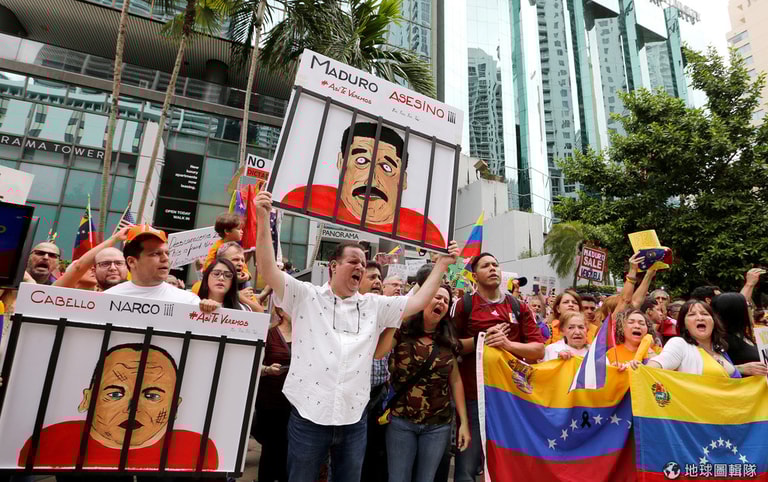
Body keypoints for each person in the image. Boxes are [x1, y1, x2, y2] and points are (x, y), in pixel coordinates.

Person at [250, 190, 459, 482]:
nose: (360, 266)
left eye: (363, 262)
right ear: (333, 266)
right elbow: (267, 269)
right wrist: (262, 217)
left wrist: (441, 265)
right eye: (353, 261)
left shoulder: (375, 306)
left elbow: (418, 301)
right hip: (309, 417)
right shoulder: (305, 296)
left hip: (353, 420)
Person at [17, 343, 217, 469]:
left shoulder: (197, 448)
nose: (132, 408)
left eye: (152, 395)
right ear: (87, 399)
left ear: (175, 406)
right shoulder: (47, 442)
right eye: (115, 394)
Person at [450, 252, 544, 482]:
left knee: (506, 463)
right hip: (474, 398)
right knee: (467, 467)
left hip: (510, 398)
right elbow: (450, 347)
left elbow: (538, 350)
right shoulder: (463, 305)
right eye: (485, 266)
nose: (493, 268)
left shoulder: (519, 307)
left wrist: (507, 344)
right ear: (474, 276)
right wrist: (480, 339)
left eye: (495, 264)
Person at [280, 122, 445, 247]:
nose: (371, 179)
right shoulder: (305, 200)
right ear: (341, 163)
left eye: (386, 167)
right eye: (361, 161)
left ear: (403, 180)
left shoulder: (425, 232)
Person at [382, 285, 470, 482]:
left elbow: (456, 381)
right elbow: (379, 352)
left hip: (438, 426)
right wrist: (399, 315)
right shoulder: (402, 330)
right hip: (401, 421)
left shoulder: (449, 340)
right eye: (437, 297)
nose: (441, 302)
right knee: (398, 478)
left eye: (446, 301)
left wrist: (463, 423)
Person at [637, 300, 767, 377]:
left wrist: (742, 369)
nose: (700, 318)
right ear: (684, 324)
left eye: (705, 314)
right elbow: (657, 366)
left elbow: (719, 377)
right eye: (692, 315)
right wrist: (640, 369)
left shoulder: (719, 348)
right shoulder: (679, 344)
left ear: (713, 321)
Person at [104, 225, 200, 305]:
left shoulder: (189, 302)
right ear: (131, 262)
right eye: (155, 253)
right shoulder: (107, 300)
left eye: (167, 253)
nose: (165, 258)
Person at [253, 306, 293, 482]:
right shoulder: (268, 333)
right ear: (281, 311)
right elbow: (253, 363)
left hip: (293, 402)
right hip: (270, 401)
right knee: (270, 448)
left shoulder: (305, 335)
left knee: (288, 448)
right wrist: (268, 369)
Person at [360, 260, 389, 482]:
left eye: (379, 278)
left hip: (379, 396)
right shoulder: (347, 311)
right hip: (354, 397)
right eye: (371, 277)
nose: (377, 282)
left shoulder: (387, 312)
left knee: (376, 453)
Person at [54, 229, 130, 291]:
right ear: (95, 271)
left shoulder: (135, 296)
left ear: (127, 267)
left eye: (119, 263)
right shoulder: (63, 295)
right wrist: (115, 238)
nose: (113, 268)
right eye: (105, 264)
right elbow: (78, 267)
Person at [712, 293, 761, 365]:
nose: (752, 309)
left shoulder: (742, 335)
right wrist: (740, 368)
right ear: (737, 311)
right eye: (749, 305)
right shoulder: (724, 342)